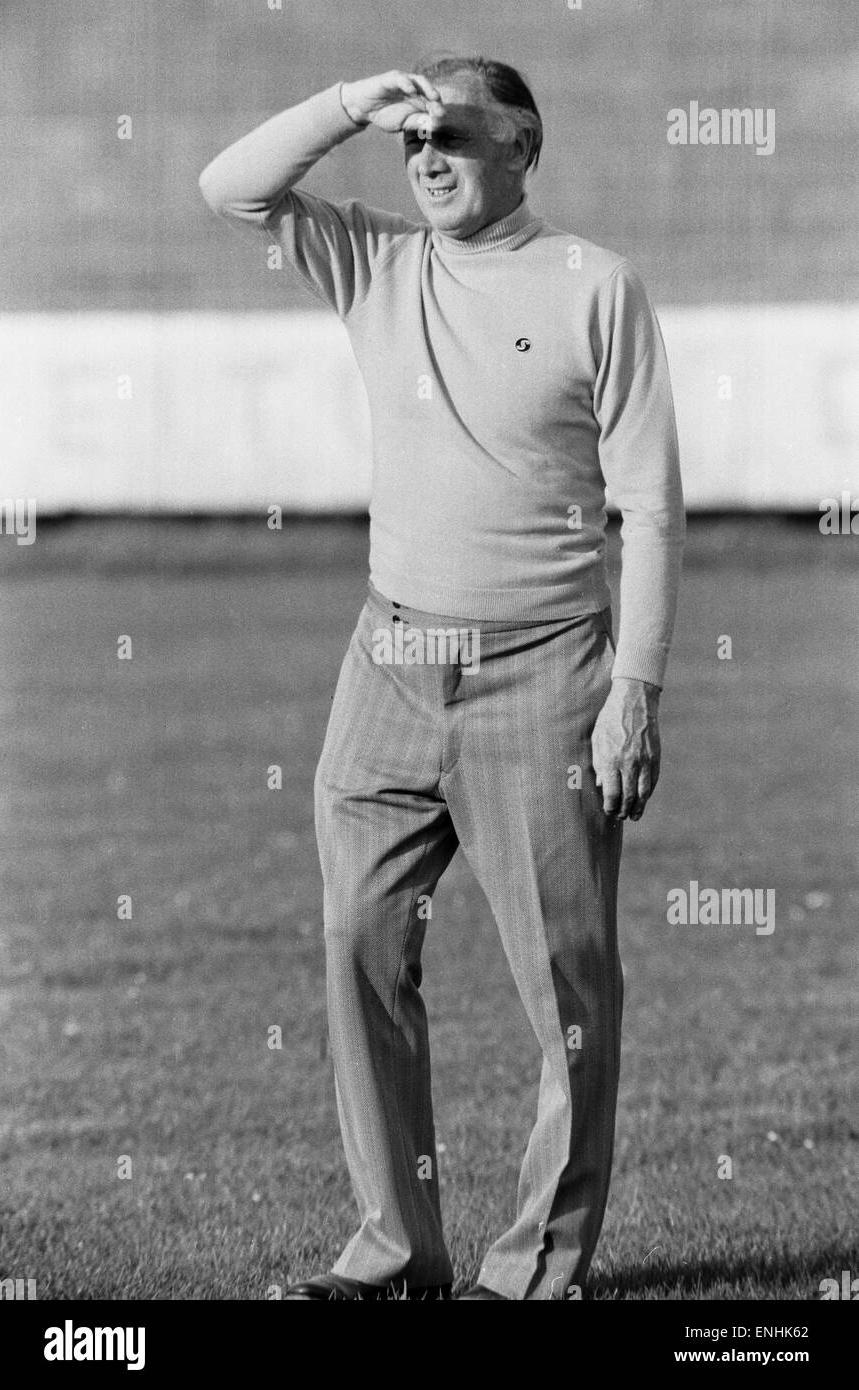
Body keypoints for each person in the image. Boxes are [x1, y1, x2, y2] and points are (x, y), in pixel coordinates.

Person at [200, 55, 685, 1300]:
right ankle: (393, 1251)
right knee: (359, 942)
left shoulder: (596, 286)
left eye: (450, 134)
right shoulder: (378, 259)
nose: (423, 155)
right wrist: (354, 100)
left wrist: (635, 685)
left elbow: (647, 499)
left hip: (545, 673)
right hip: (389, 662)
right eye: (408, 137)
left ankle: (534, 1271)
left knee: (564, 986)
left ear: (519, 144)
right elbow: (230, 189)